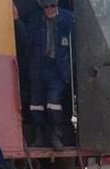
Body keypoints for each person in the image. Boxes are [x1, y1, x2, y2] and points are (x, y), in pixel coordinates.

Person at [18, 0, 74, 150]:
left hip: (58, 68)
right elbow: (25, 40)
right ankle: (39, 135)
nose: (50, 9)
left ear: (57, 5)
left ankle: (56, 135)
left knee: (54, 101)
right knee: (36, 104)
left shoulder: (69, 18)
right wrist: (17, 21)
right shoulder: (35, 20)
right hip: (39, 67)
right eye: (46, 7)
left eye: (52, 6)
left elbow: (78, 41)